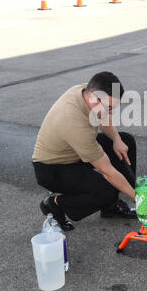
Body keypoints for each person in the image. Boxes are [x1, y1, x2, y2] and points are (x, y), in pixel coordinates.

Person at [32, 72, 137, 231]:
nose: (112, 112)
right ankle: (55, 204)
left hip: (74, 150)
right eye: (109, 108)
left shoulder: (85, 91)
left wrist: (116, 139)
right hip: (53, 167)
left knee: (125, 141)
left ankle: (110, 208)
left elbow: (102, 117)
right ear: (93, 98)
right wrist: (137, 198)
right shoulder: (74, 124)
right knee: (106, 190)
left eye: (113, 107)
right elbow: (107, 170)